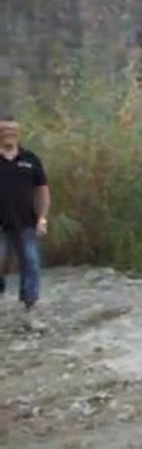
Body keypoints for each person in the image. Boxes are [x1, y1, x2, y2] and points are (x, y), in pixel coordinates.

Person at [0, 113, 50, 321]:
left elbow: (43, 191)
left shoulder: (31, 159)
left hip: (27, 222)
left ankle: (30, 305)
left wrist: (43, 218)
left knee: (31, 262)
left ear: (18, 133)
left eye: (12, 130)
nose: (9, 134)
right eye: (4, 130)